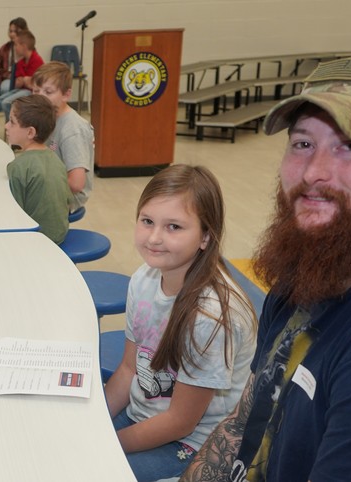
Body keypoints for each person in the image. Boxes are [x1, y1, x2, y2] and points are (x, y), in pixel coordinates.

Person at [180, 58, 351, 482]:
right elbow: (242, 424)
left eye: (350, 145)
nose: (313, 173)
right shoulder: (317, 261)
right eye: (303, 144)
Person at [104, 164, 257, 482]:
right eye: (147, 221)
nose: (155, 238)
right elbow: (129, 370)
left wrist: (105, 444)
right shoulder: (142, 279)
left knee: (89, 470)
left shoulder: (211, 318)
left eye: (174, 226)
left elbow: (180, 422)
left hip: (192, 444)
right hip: (144, 414)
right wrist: (95, 423)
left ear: (205, 236)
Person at [5, 95, 72, 244]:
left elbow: (13, 216)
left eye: (12, 122)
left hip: (35, 240)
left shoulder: (18, 167)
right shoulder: (56, 159)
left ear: (30, 132)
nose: (6, 126)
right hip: (59, 234)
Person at [32, 61, 95, 212]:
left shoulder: (73, 129)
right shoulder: (48, 117)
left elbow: (76, 184)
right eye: (35, 91)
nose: (40, 97)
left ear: (66, 94)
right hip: (52, 184)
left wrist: (36, 185)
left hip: (68, 196)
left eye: (48, 92)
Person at [0, 18, 28, 95]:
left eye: (15, 31)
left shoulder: (28, 48)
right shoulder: (4, 48)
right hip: (8, 79)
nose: (12, 34)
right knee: (6, 88)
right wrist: (8, 75)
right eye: (10, 31)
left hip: (24, 80)